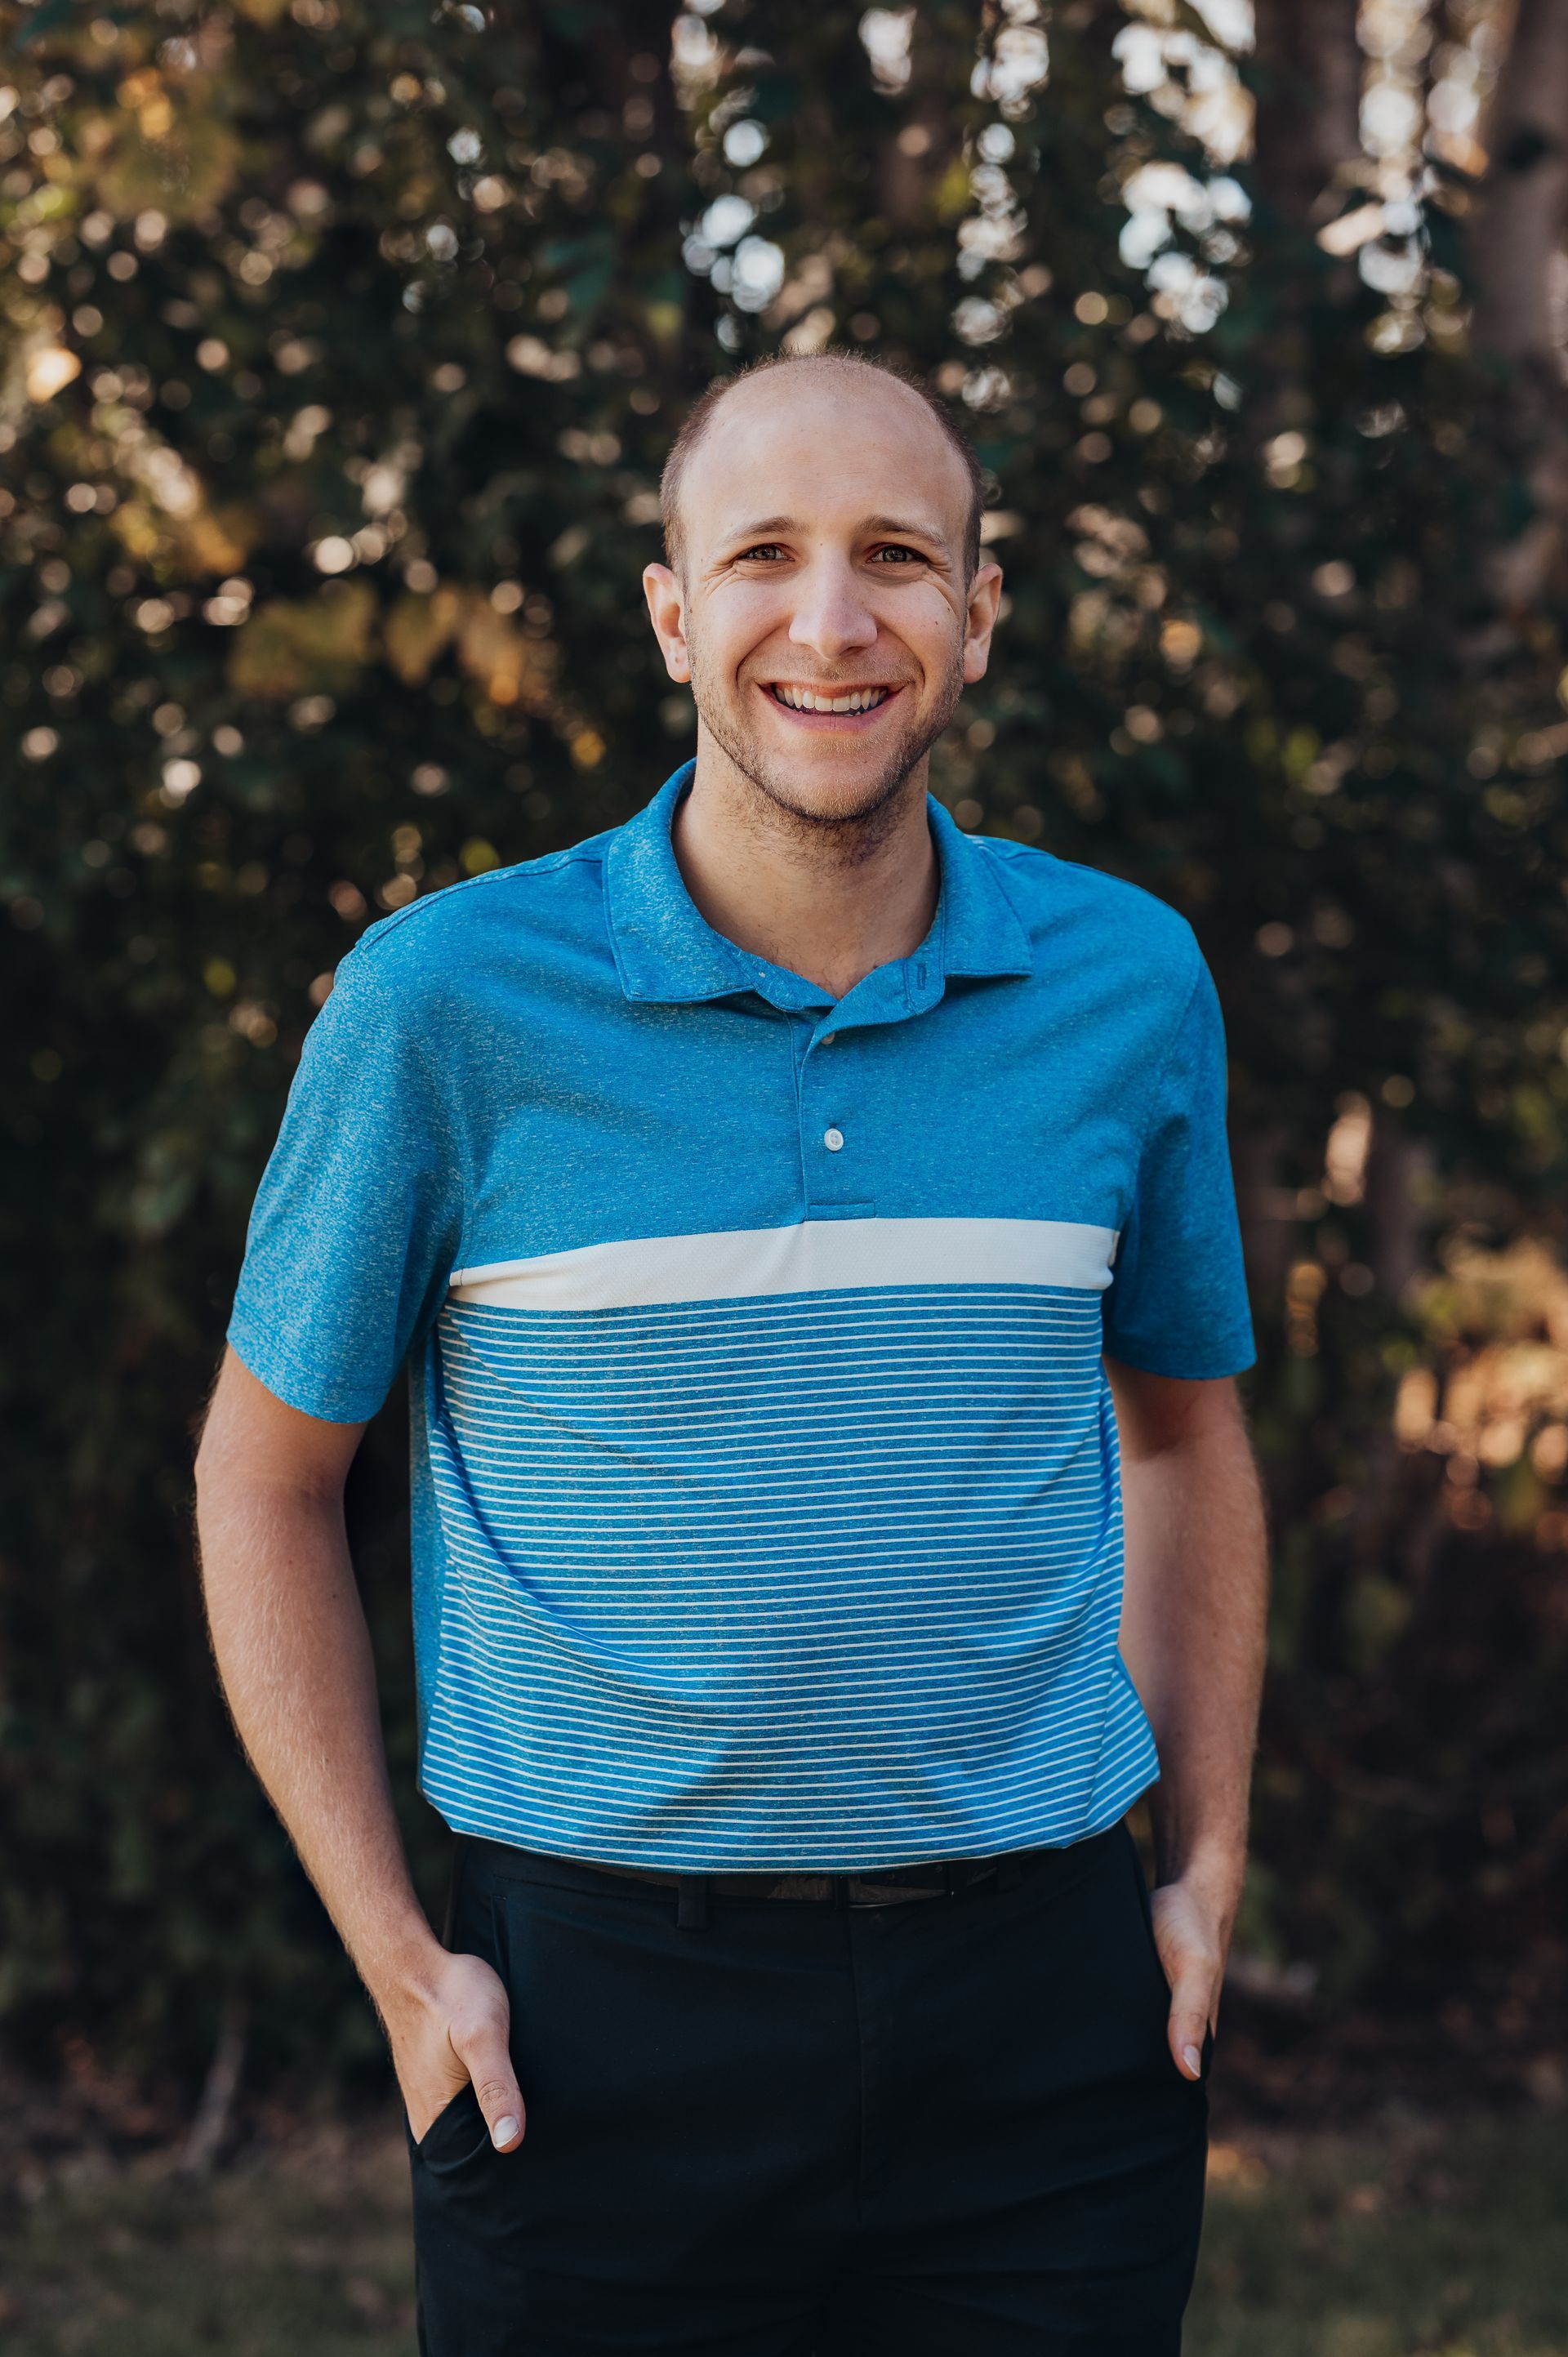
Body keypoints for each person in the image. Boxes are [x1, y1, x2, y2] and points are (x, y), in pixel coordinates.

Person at [194, 350, 1267, 2355]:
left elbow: (1186, 1439)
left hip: (1044, 2020)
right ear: (677, 609)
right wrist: (399, 1963)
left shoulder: (1128, 980)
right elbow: (262, 1478)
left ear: (978, 608)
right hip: (595, 2038)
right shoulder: (449, 1006)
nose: (834, 621)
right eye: (764, 556)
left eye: (896, 559)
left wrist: (1203, 1866)